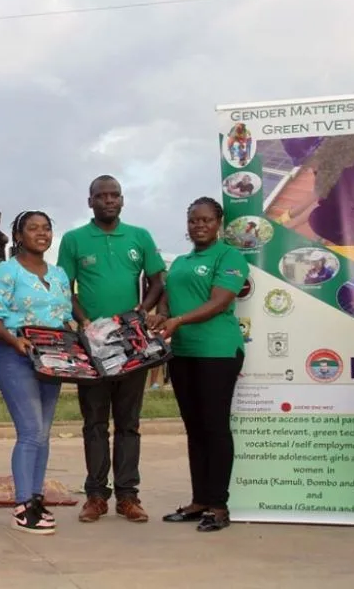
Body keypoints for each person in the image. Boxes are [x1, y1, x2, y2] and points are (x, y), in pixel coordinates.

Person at [56, 174, 166, 524]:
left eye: (114, 195)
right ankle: (95, 495)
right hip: (92, 347)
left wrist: (141, 312)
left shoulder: (140, 237)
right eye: (100, 196)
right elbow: (65, 287)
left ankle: (128, 496)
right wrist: (86, 323)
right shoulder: (74, 239)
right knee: (94, 423)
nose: (108, 200)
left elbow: (158, 280)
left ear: (122, 200)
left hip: (131, 345)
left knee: (129, 423)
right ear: (90, 201)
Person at [147, 197, 248, 533]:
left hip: (218, 351)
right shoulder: (181, 262)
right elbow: (168, 299)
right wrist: (160, 316)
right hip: (184, 353)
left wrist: (178, 320)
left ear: (218, 222)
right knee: (194, 428)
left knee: (215, 427)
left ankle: (219, 505)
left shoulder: (229, 256)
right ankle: (200, 499)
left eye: (206, 220)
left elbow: (220, 302)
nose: (199, 226)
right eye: (193, 220)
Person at [0, 210, 72, 535]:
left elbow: (64, 317)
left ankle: (37, 498)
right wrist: (16, 341)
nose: (41, 233)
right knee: (30, 431)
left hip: (53, 359)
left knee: (44, 432)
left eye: (47, 228)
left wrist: (77, 350)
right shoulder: (6, 271)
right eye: (33, 228)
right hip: (16, 357)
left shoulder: (60, 274)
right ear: (19, 235)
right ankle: (23, 506)